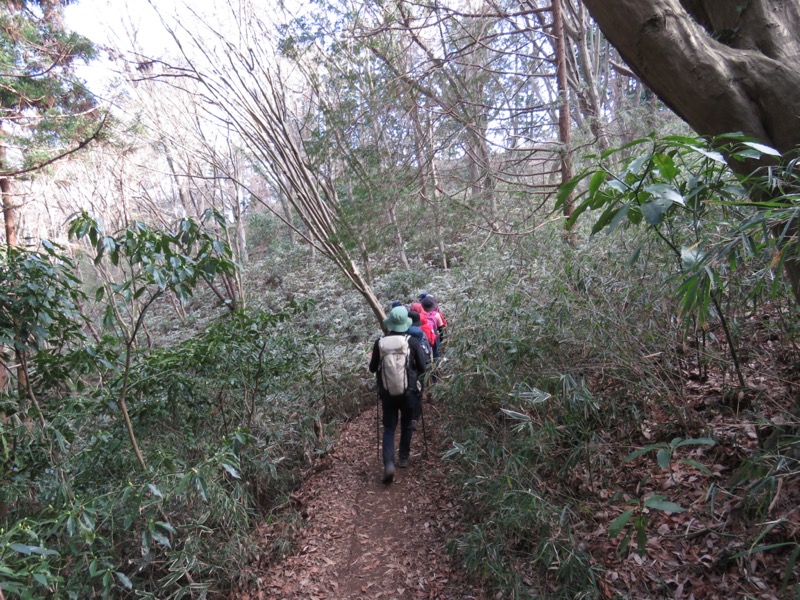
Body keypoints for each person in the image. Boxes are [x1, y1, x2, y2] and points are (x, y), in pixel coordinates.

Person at [369, 306, 427, 483]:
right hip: (408, 391)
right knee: (407, 424)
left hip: (387, 393)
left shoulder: (380, 342)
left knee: (388, 428)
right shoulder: (412, 341)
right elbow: (423, 367)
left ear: (390, 324)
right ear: (405, 324)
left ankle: (388, 464)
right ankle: (403, 457)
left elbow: (372, 368)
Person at [407, 310, 431, 430]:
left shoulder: (405, 336)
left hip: (409, 368)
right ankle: (414, 418)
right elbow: (428, 349)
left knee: (409, 391)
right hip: (422, 365)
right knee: (418, 392)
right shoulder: (422, 334)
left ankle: (408, 416)